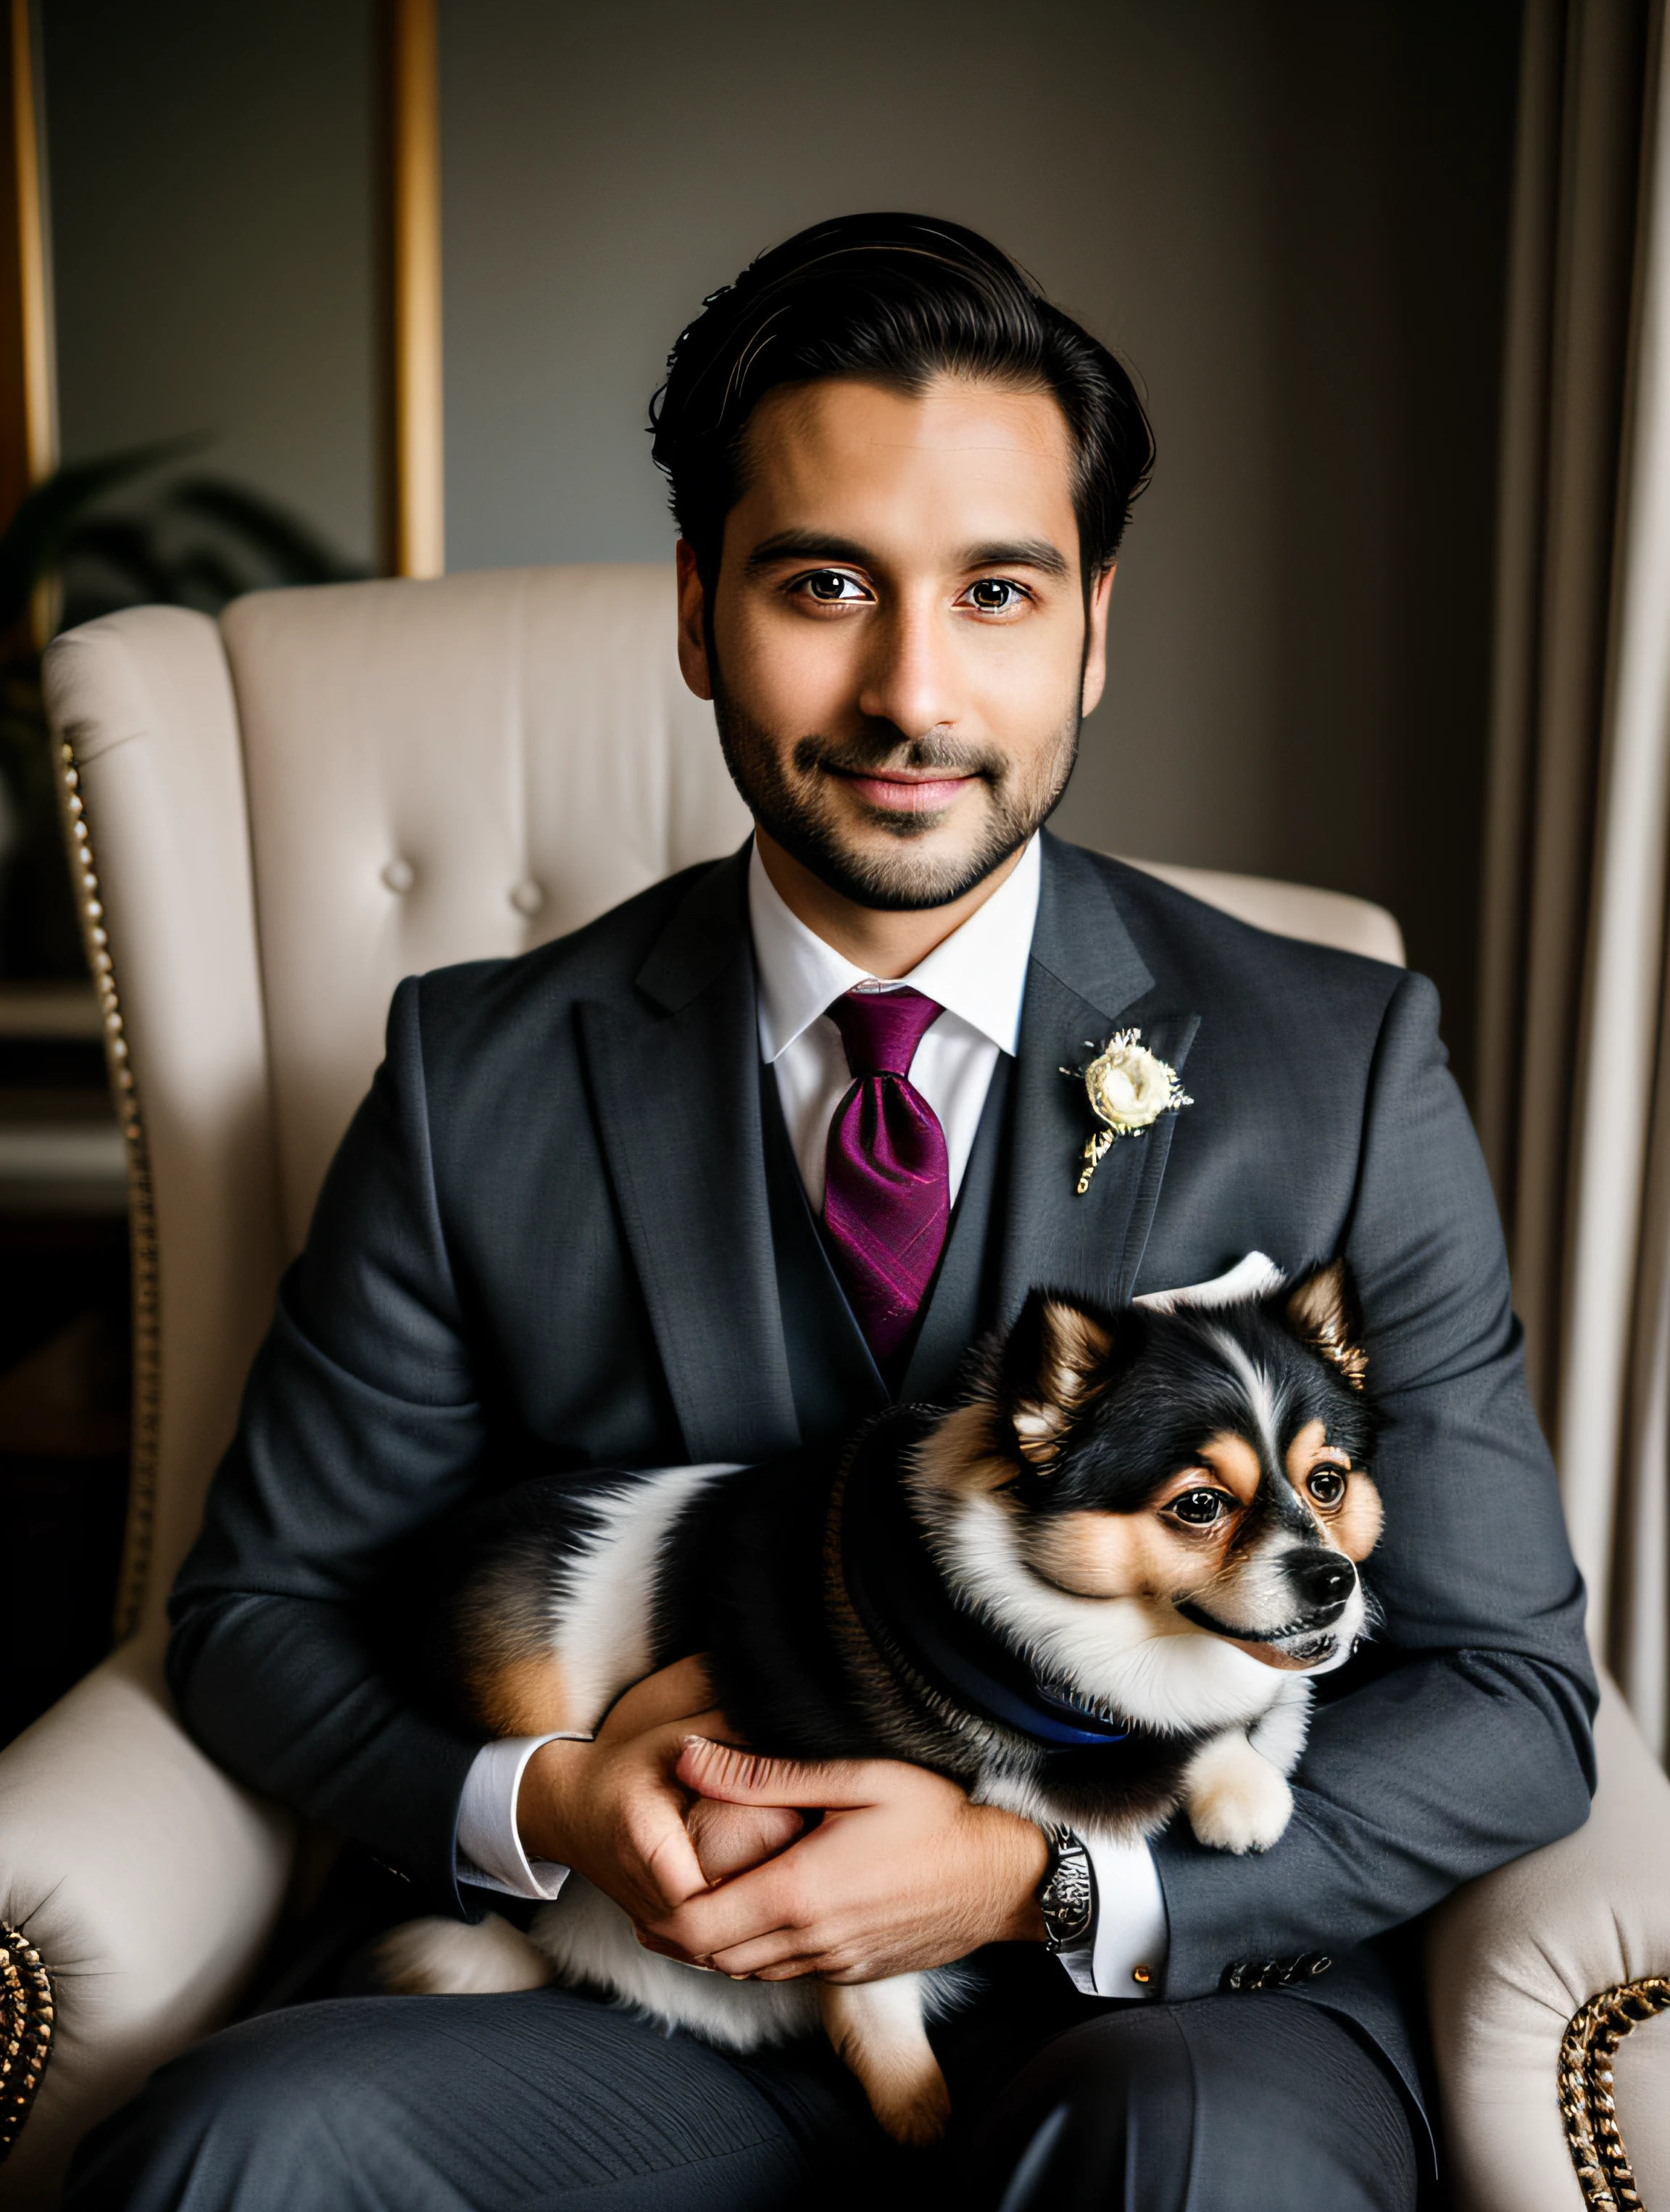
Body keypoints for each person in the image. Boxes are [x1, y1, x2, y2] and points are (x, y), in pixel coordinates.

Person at [67, 214, 1595, 2212]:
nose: (911, 690)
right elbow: (259, 1620)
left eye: (996, 591)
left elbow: (1512, 1702)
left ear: (1093, 630)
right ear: (698, 612)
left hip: (1171, 2013)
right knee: (231, 2152)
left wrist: (1048, 1876)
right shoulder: (474, 1079)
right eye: (821, 586)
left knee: (1208, 2160)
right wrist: (552, 1805)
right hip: (651, 2010)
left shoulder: (1343, 1063)